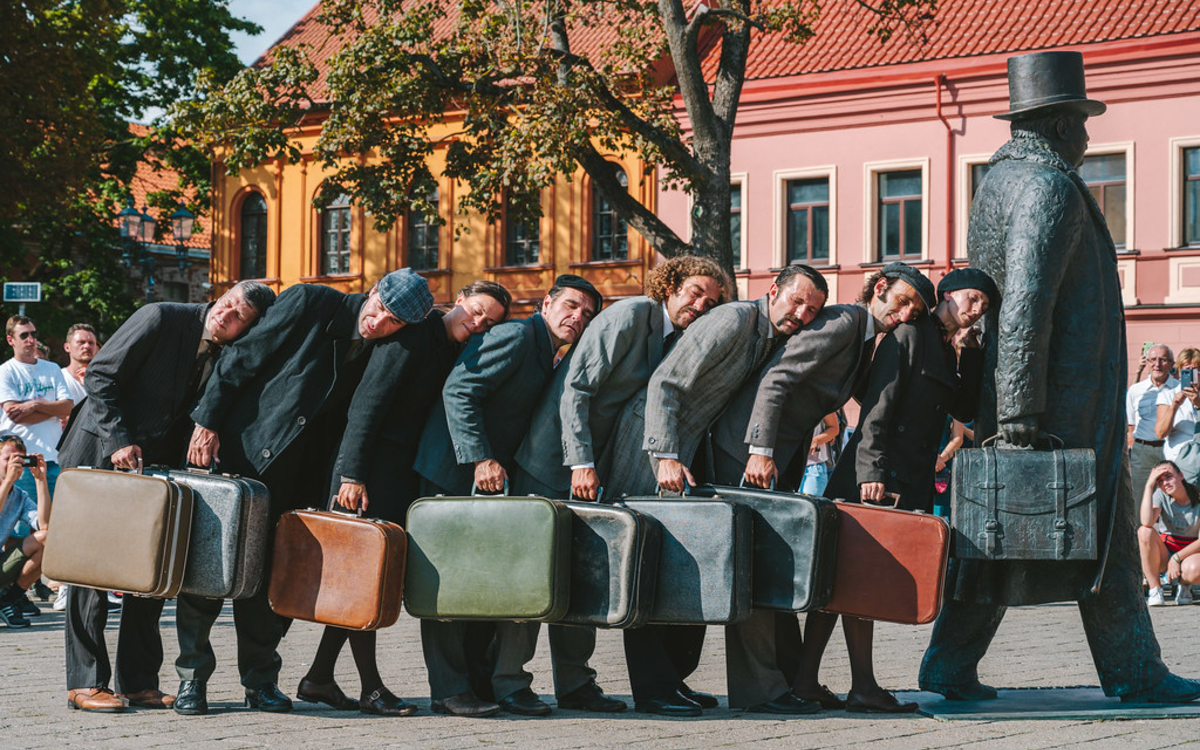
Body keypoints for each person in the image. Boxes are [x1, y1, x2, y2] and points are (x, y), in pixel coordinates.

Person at [918, 50, 1200, 704]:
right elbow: (1024, 304)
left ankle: (949, 664)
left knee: (1000, 541)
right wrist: (1019, 418)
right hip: (1059, 407)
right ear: (1059, 124)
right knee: (1088, 541)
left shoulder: (998, 181)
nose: (1088, 136)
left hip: (1029, 402)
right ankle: (1134, 671)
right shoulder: (1047, 188)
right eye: (1080, 121)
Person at [184, 269, 433, 716]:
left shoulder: (386, 347)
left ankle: (260, 683)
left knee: (264, 582)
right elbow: (242, 357)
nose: (378, 323)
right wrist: (208, 422)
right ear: (372, 290)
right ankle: (192, 680)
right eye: (380, 308)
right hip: (241, 453)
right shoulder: (311, 302)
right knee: (207, 575)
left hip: (296, 478)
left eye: (393, 321)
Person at [504, 256, 730, 715]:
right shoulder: (630, 314)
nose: (701, 304)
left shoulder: (675, 335)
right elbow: (577, 389)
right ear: (670, 285)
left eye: (710, 300)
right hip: (554, 461)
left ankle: (576, 685)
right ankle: (509, 681)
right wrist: (580, 462)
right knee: (533, 578)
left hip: (593, 472)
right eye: (694, 292)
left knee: (578, 577)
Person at [710, 262, 931, 714]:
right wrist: (760, 449)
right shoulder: (846, 321)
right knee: (751, 571)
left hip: (778, 459)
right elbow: (778, 378)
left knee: (770, 569)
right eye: (903, 300)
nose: (906, 313)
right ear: (881, 287)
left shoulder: (866, 337)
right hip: (748, 453)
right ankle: (762, 693)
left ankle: (794, 682)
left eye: (916, 310)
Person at [607, 265, 825, 717]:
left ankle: (672, 682)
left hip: (685, 455)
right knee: (648, 567)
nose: (802, 314)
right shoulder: (734, 319)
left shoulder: (768, 334)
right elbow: (666, 382)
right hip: (650, 446)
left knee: (677, 567)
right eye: (797, 301)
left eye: (812, 310)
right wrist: (664, 454)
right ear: (774, 291)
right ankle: (652, 691)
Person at [56, 280, 276, 712]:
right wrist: (118, 438)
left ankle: (138, 682)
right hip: (98, 452)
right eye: (227, 304)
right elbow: (100, 374)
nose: (225, 316)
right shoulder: (161, 317)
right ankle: (85, 683)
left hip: (154, 471)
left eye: (238, 318)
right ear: (223, 294)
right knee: (90, 570)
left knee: (152, 575)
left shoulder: (229, 354)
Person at [296, 281, 510, 717]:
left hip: (394, 473)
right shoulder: (414, 334)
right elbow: (366, 406)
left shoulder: (448, 347)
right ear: (461, 299)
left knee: (365, 581)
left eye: (489, 322)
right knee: (364, 581)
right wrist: (352, 475)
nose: (478, 322)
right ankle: (371, 689)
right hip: (366, 471)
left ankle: (318, 678)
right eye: (476, 310)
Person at [798, 266, 989, 714]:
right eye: (972, 299)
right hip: (874, 477)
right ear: (948, 293)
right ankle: (859, 687)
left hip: (903, 479)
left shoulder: (947, 348)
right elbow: (876, 409)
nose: (976, 311)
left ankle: (807, 681)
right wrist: (871, 470)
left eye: (984, 307)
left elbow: (963, 408)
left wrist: (974, 354)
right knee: (855, 584)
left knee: (844, 584)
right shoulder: (909, 335)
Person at [413, 274, 600, 718]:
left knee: (477, 585)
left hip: (482, 480)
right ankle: (449, 691)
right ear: (547, 303)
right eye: (571, 306)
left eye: (587, 314)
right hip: (452, 472)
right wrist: (480, 458)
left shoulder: (545, 348)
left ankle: (475, 684)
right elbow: (459, 391)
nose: (578, 317)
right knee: (449, 588)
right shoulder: (517, 335)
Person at [0, 316, 72, 498]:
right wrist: (53, 411)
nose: (31, 340)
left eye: (33, 334)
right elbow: (15, 414)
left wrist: (33, 405)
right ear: (11, 340)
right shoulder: (5, 371)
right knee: (24, 523)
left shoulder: (52, 368)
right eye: (24, 335)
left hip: (52, 460)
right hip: (20, 463)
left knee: (52, 523)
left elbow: (68, 408)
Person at [0, 436, 49, 629]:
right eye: (8, 459)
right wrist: (8, 481)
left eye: (20, 459)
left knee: (47, 539)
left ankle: (6, 601)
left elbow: (44, 526)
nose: (15, 464)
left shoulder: (19, 496)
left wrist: (40, 480)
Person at [1139, 462, 1200, 607]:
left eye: (1168, 477)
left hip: (1190, 553)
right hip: (1165, 553)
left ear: (1180, 476)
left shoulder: (1197, 496)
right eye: (1159, 480)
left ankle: (1184, 585)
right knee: (1144, 531)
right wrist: (1149, 485)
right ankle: (1155, 589)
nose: (1165, 483)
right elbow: (1146, 521)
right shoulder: (1160, 494)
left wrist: (1177, 558)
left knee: (1197, 569)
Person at [60, 323, 99, 406]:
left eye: (91, 343)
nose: (87, 346)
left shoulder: (103, 379)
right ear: (67, 347)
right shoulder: (59, 378)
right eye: (81, 342)